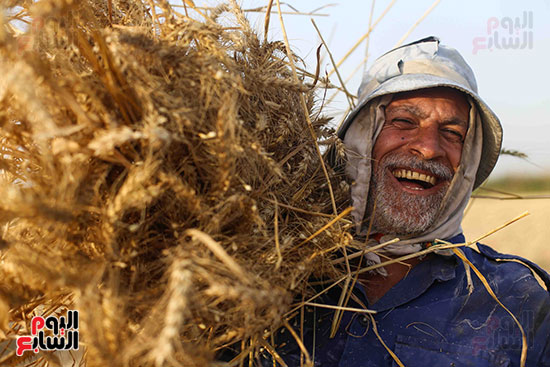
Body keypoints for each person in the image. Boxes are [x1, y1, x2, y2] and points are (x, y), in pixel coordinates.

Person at [264, 37, 550, 366]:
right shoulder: (272, 267)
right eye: (404, 122)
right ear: (361, 138)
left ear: (468, 160)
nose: (428, 148)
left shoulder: (517, 303)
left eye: (452, 132)